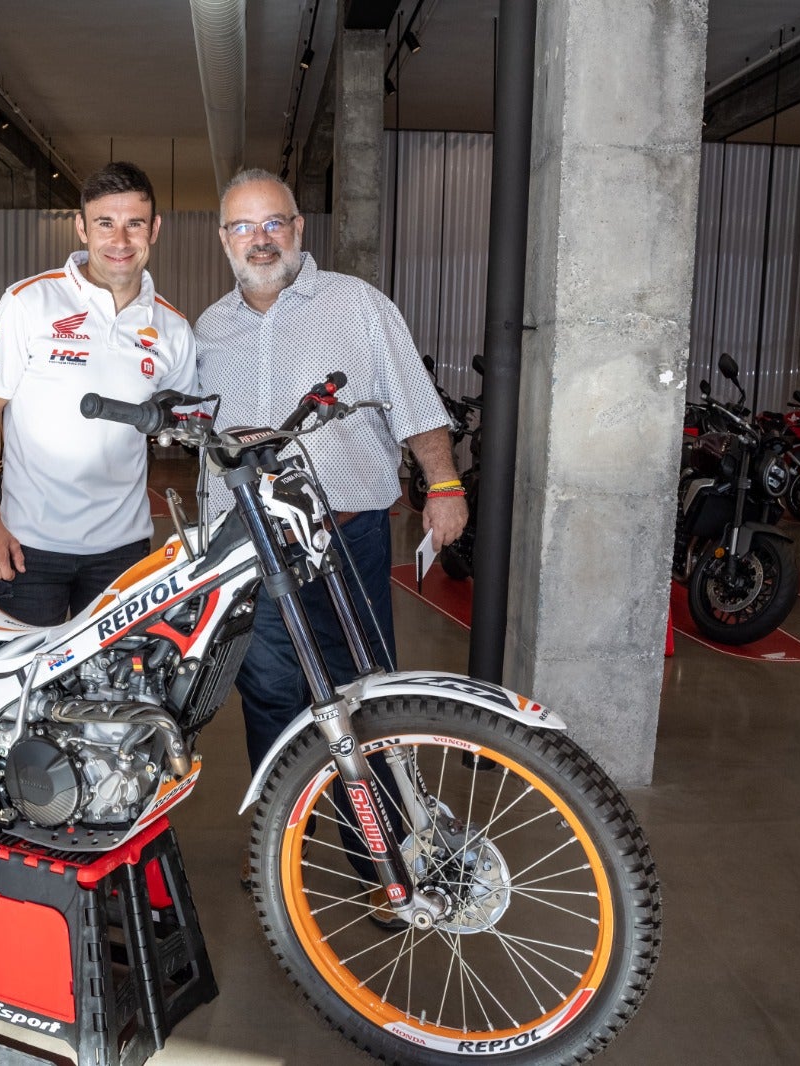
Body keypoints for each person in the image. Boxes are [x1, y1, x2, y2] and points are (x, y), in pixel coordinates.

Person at [196, 170, 468, 908]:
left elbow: (416, 403)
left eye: (273, 223)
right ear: (224, 240)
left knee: (363, 699)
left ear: (298, 229)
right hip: (249, 550)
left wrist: (442, 483)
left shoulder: (358, 305)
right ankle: (279, 845)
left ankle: (378, 860)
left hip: (345, 538)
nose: (260, 239)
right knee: (269, 695)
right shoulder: (207, 329)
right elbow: (203, 446)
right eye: (243, 227)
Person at [0, 162, 196, 626]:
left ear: (155, 229)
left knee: (116, 695)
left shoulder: (173, 328)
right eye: (105, 223)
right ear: (82, 228)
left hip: (123, 553)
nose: (120, 241)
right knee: (23, 693)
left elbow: (187, 427)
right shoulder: (29, 302)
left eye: (134, 224)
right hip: (26, 547)